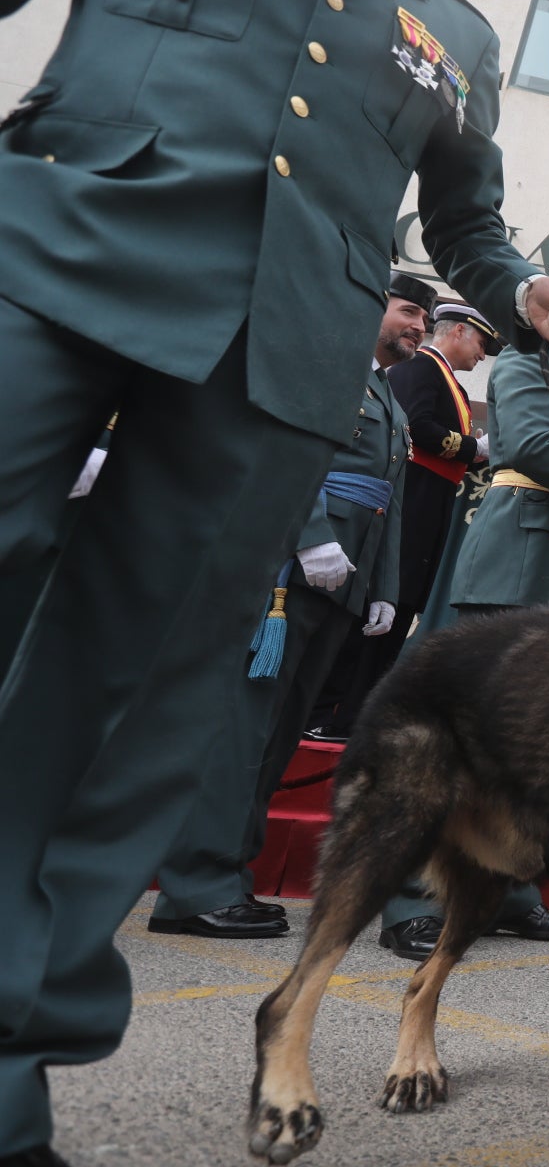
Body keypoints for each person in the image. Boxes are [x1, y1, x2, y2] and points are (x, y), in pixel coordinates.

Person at [0, 0, 549, 1156]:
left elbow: (465, 221)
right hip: (55, 253)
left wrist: (520, 288)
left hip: (277, 353)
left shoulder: (456, 27)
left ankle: (11, 1057)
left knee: (138, 693)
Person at [379, 260, 549, 961]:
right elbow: (529, 445)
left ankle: (508, 892)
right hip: (519, 567)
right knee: (465, 745)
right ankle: (415, 898)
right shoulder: (532, 360)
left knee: (532, 750)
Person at [149, 279, 426, 940]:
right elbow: (288, 458)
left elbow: (389, 502)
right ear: (371, 308)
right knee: (244, 733)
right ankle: (191, 890)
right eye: (410, 310)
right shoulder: (323, 365)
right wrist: (311, 536)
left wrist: (384, 588)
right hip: (291, 571)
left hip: (342, 583)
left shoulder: (386, 396)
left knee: (275, 739)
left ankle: (227, 878)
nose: (421, 326)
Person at [306, 294, 500, 740]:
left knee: (401, 604)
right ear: (457, 331)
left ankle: (354, 713)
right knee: (384, 602)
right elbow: (419, 430)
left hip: (430, 501)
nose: (482, 354)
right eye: (480, 344)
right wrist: (475, 448)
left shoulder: (443, 376)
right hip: (409, 499)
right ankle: (332, 711)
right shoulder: (419, 368)